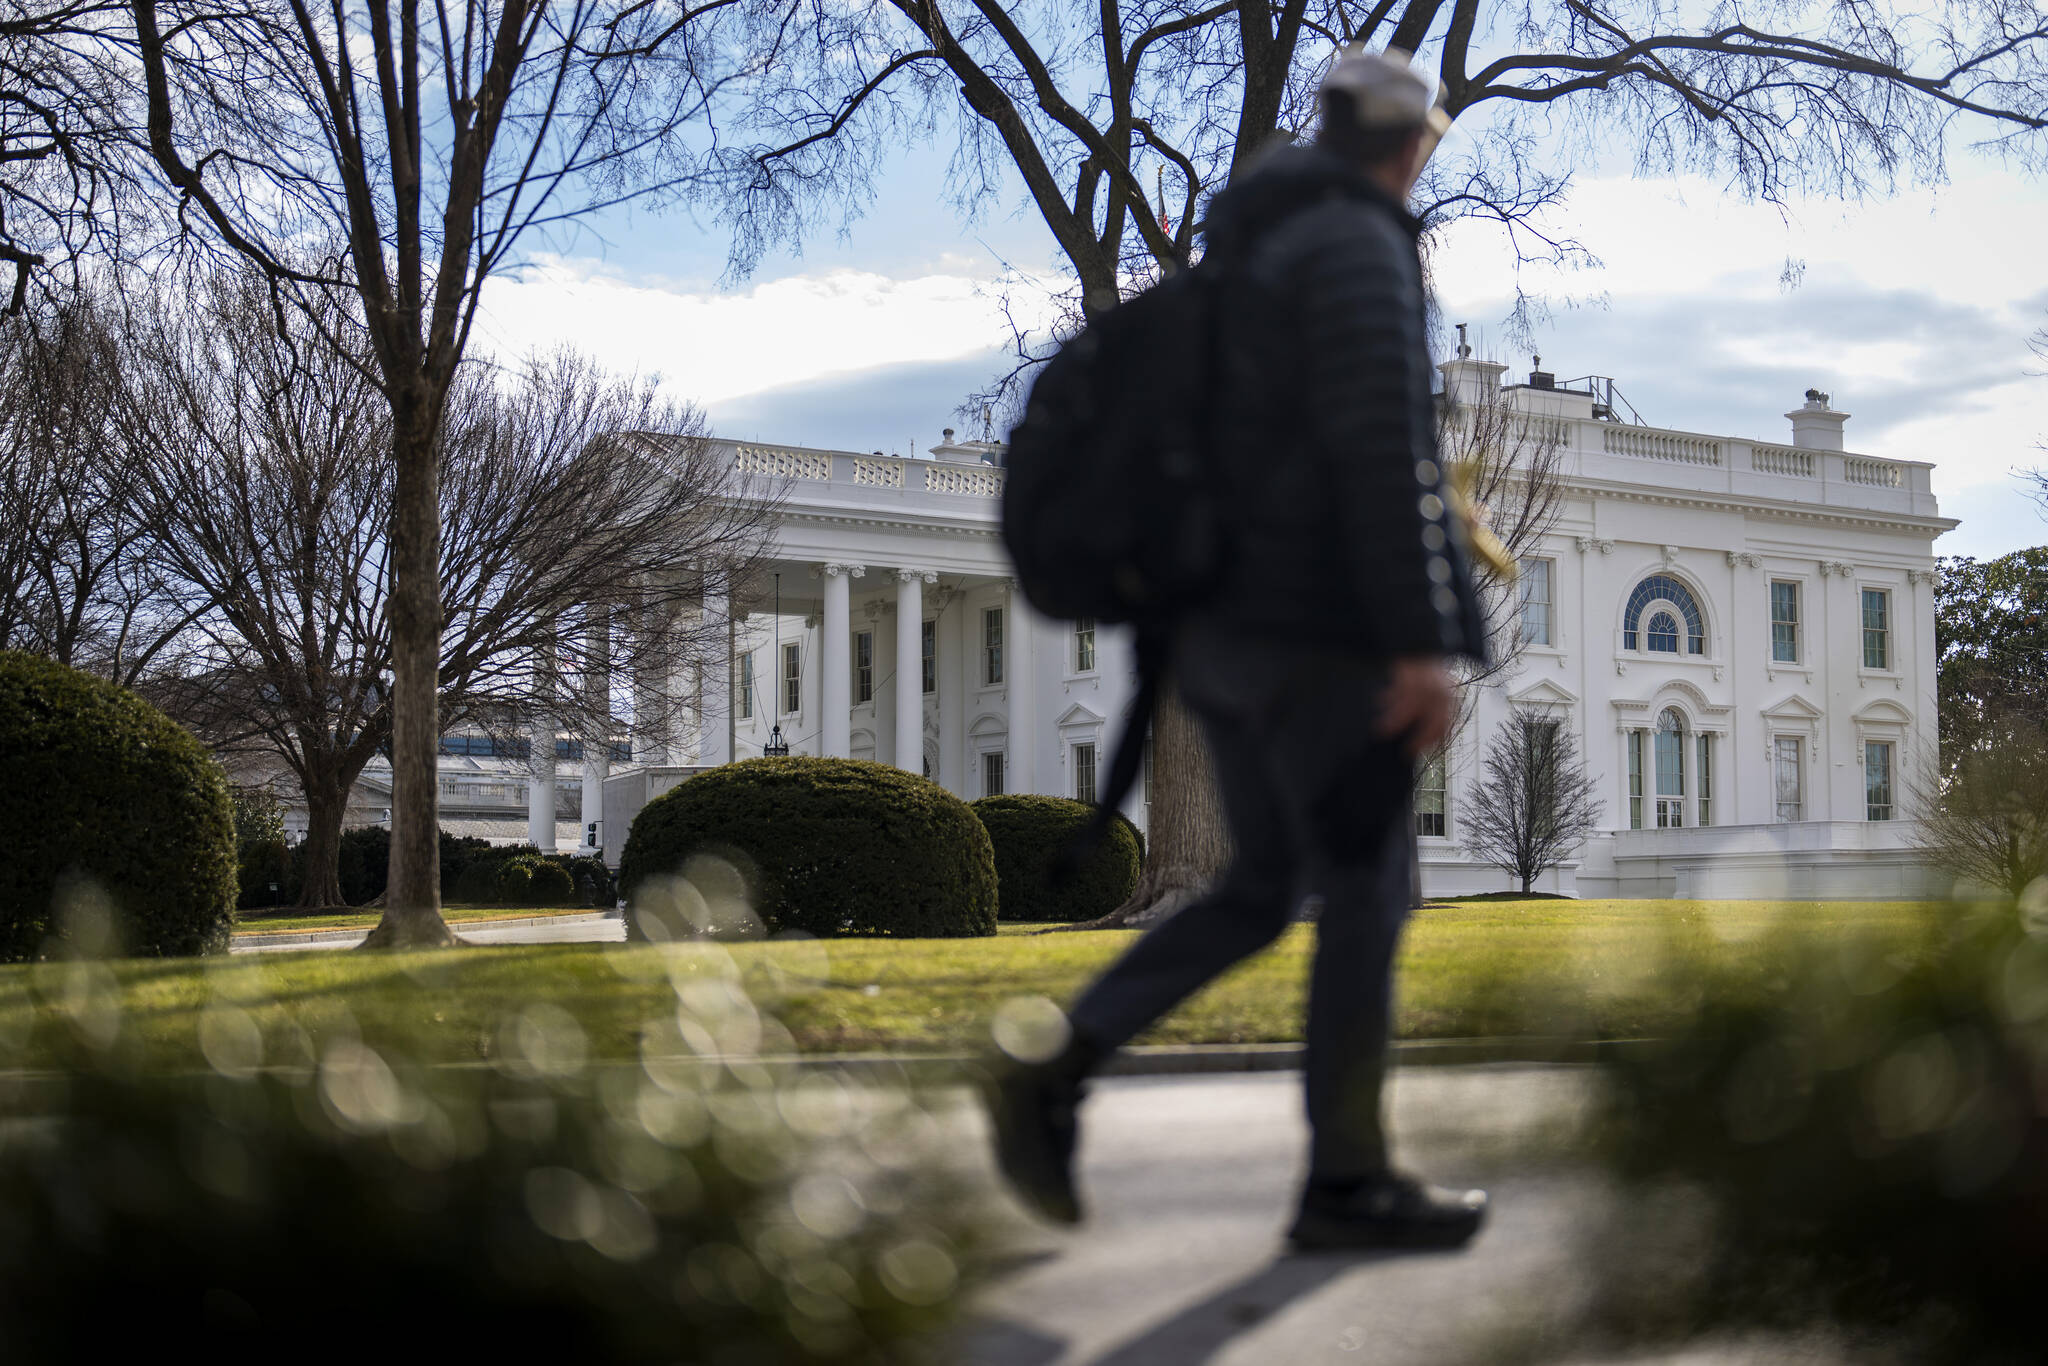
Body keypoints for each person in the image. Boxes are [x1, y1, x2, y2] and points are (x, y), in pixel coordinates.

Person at [985, 46, 1493, 1251]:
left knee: (1264, 890)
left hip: (1214, 638)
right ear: (1410, 145)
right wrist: (1419, 645)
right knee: (1368, 888)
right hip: (1318, 634)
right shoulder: (1359, 247)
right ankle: (1346, 1182)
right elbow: (1381, 457)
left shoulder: (1246, 254)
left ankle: (1055, 1064)